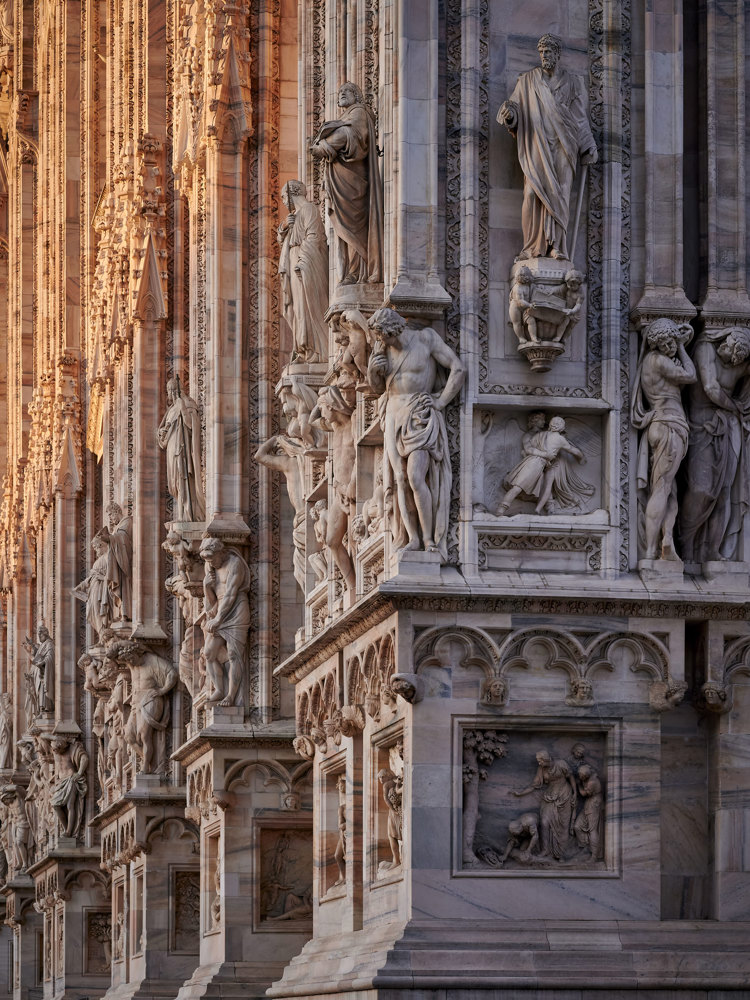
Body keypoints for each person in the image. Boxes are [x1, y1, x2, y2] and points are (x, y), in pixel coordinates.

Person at [367, 307, 466, 559]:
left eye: (382, 336)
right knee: (399, 477)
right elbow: (378, 388)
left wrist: (442, 402)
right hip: (393, 415)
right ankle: (412, 538)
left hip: (420, 414)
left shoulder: (426, 339)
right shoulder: (382, 351)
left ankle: (429, 539)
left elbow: (458, 368)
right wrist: (372, 373)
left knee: (415, 476)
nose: (379, 342)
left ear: (392, 330)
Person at [498, 34, 597, 260]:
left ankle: (557, 247)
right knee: (531, 193)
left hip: (565, 145)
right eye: (542, 52)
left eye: (549, 52)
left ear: (557, 54)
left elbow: (580, 119)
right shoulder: (528, 81)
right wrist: (509, 114)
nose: (544, 56)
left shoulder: (572, 83)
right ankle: (531, 247)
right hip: (537, 144)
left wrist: (588, 145)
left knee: (561, 194)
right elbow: (514, 106)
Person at [680, 326, 750, 563]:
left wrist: (737, 409)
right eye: (729, 350)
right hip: (700, 425)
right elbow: (710, 388)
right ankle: (686, 545)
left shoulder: (740, 365)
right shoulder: (705, 348)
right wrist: (734, 407)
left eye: (735, 357)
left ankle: (712, 551)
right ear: (726, 339)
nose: (729, 356)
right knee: (701, 490)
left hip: (728, 427)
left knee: (724, 492)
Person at [631, 319, 696, 561]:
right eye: (666, 343)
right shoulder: (658, 360)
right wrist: (681, 345)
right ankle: (650, 553)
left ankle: (666, 540)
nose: (670, 347)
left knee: (670, 490)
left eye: (672, 342)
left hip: (659, 426)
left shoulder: (650, 362)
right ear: (657, 344)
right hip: (670, 425)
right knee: (662, 489)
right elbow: (691, 375)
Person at [310, 81, 383, 284]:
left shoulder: (359, 112)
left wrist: (325, 144)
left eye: (346, 91)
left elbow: (353, 136)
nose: (341, 94)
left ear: (356, 95)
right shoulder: (346, 117)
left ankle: (360, 270)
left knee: (354, 227)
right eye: (339, 91)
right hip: (342, 182)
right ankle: (351, 272)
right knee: (345, 229)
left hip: (354, 183)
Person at [277, 179, 329, 362]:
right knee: (296, 309)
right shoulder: (293, 216)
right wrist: (284, 228)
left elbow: (315, 236)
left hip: (305, 263)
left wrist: (303, 261)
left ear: (292, 193)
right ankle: (302, 349)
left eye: (284, 197)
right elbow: (284, 240)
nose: (283, 201)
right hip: (293, 262)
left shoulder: (309, 209)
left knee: (306, 306)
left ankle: (315, 350)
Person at [497, 414, 592, 514]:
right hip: (537, 464)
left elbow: (528, 449)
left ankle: (544, 510)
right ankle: (501, 509)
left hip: (533, 463)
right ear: (561, 427)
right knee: (518, 487)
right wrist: (582, 458)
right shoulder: (559, 439)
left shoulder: (539, 435)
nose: (543, 422)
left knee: (538, 487)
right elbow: (574, 451)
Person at [200, 537, 252, 707]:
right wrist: (206, 587)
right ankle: (219, 689)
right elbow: (211, 603)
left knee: (233, 654)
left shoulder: (235, 563)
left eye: (212, 558)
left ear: (221, 552)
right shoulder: (210, 565)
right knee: (208, 653)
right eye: (207, 560)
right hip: (219, 610)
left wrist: (218, 619)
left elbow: (230, 594)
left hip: (236, 609)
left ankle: (231, 696)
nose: (210, 563)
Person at [511, 749, 577, 860]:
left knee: (562, 826)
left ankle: (561, 854)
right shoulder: (541, 769)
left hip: (564, 796)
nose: (539, 763)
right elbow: (534, 785)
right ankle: (545, 850)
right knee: (544, 822)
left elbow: (571, 777)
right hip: (549, 797)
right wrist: (520, 793)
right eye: (538, 761)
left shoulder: (561, 764)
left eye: (540, 761)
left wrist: (575, 793)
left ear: (546, 759)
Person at [157, 376, 206, 522]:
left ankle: (187, 516)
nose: (169, 395)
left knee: (182, 478)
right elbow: (163, 432)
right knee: (174, 483)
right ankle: (181, 515)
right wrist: (161, 432)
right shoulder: (171, 410)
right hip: (172, 449)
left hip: (181, 448)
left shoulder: (188, 403)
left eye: (169, 391)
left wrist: (182, 408)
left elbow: (191, 424)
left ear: (174, 390)